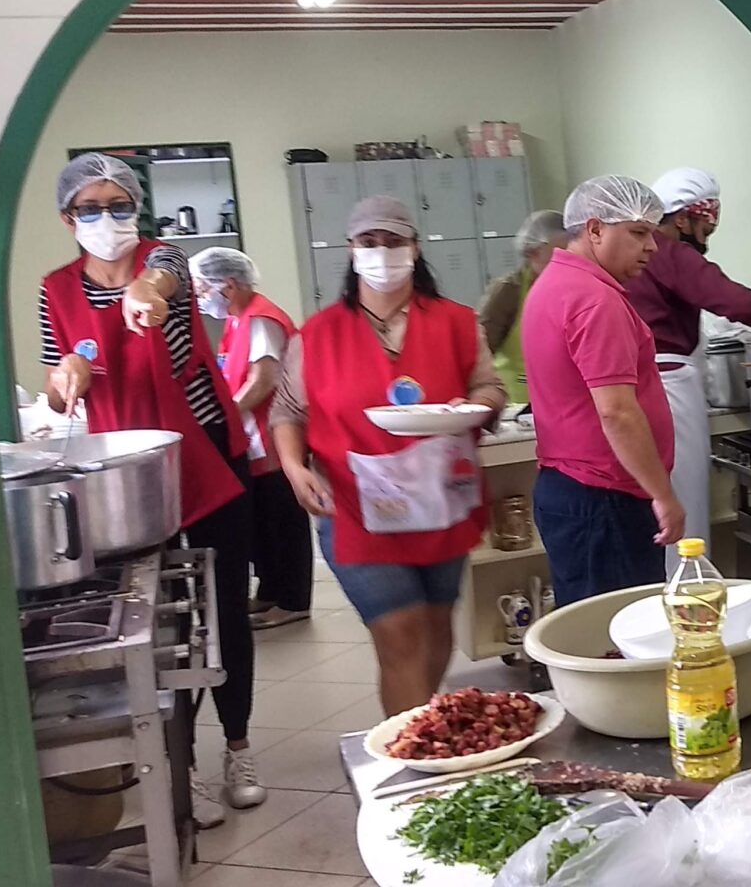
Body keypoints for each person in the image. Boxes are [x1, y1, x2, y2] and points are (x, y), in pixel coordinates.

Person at [38, 153, 263, 826]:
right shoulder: (55, 288)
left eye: (118, 205)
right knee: (159, 625)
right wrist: (67, 372)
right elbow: (54, 384)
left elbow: (163, 279)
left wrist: (149, 292)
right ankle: (182, 764)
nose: (106, 219)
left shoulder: (162, 258)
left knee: (223, 613)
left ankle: (240, 747)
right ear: (66, 218)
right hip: (128, 479)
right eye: (89, 208)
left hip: (205, 459)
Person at [269, 196, 505, 714]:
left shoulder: (458, 322)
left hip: (441, 501)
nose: (382, 252)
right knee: (399, 635)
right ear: (352, 252)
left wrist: (474, 404)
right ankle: (414, 761)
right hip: (356, 508)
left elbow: (491, 388)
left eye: (394, 241)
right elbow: (288, 411)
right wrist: (292, 467)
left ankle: (425, 724)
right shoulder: (317, 334)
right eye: (369, 242)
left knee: (436, 630)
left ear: (415, 250)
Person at [522, 176, 683, 604]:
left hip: (572, 488)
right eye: (638, 233)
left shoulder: (553, 284)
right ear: (594, 230)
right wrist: (662, 495)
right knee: (617, 639)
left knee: (588, 630)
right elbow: (617, 412)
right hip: (605, 498)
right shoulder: (595, 300)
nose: (651, 246)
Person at [627, 168, 751, 561]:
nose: (707, 237)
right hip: (669, 385)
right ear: (682, 218)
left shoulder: (645, 253)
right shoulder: (668, 251)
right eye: (705, 225)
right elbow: (729, 299)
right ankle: (687, 593)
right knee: (683, 498)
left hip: (646, 384)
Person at [188, 247, 309, 630]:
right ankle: (272, 591)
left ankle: (292, 599)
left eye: (205, 288)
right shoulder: (239, 320)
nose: (202, 297)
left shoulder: (260, 319)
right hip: (252, 440)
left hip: (273, 439)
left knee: (282, 522)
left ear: (230, 284)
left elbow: (264, 381)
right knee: (263, 524)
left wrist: (224, 418)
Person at [480, 209, 569, 403]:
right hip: (519, 403)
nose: (566, 260)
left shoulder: (573, 288)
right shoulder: (509, 290)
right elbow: (482, 347)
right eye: (558, 253)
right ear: (533, 252)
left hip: (563, 398)